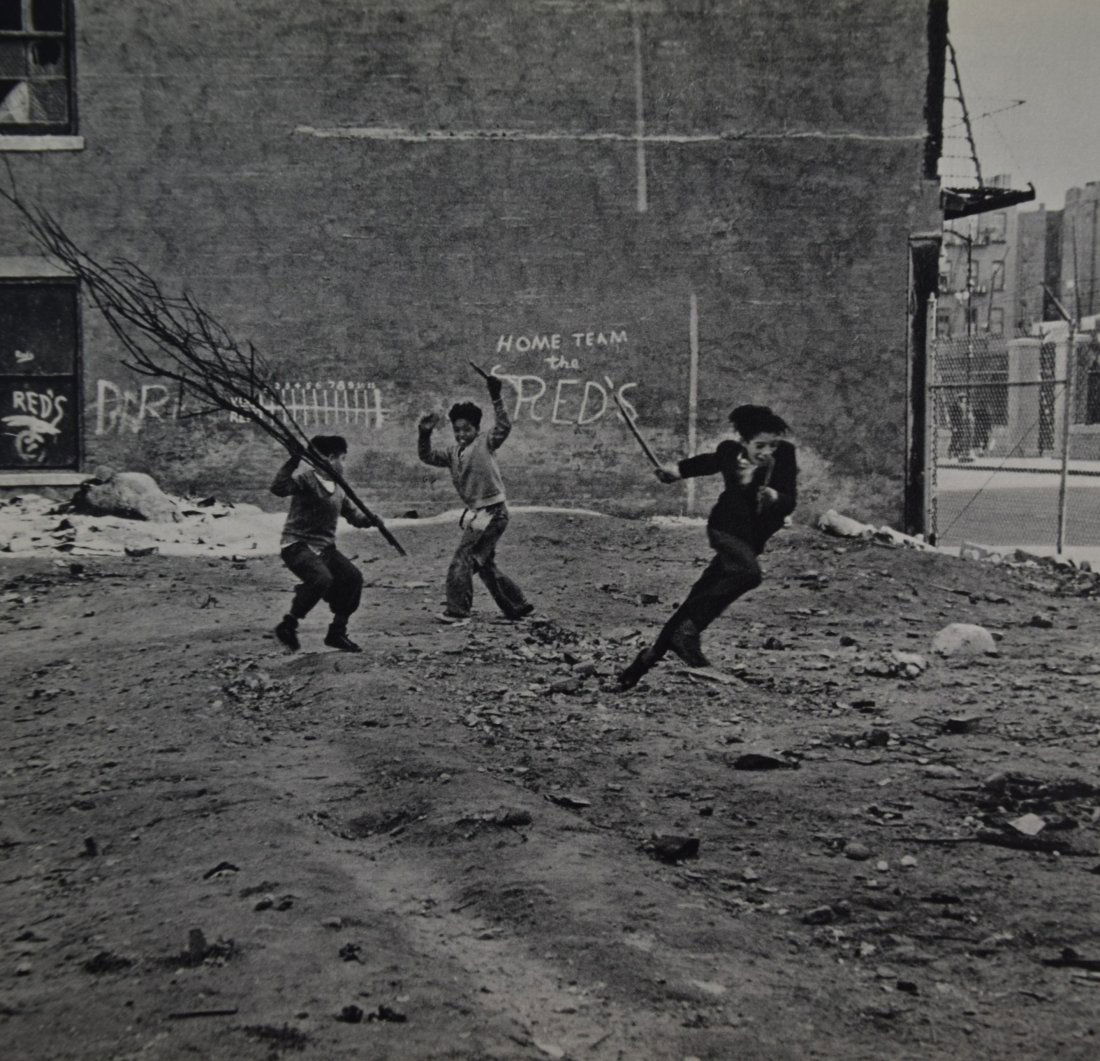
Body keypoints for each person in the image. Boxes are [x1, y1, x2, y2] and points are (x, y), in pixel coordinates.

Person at [618, 404, 797, 689]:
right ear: (744, 442)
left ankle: (644, 662)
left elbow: (791, 499)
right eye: (759, 445)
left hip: (753, 539)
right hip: (725, 529)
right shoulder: (730, 452)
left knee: (697, 596)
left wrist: (775, 497)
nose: (767, 452)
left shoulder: (784, 457)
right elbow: (706, 462)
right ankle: (687, 632)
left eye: (772, 445)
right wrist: (674, 471)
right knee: (749, 574)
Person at [417, 374, 533, 623]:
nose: (461, 434)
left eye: (466, 429)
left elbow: (504, 426)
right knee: (485, 564)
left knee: (464, 559)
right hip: (480, 515)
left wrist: (496, 396)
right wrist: (424, 434)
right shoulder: (451, 453)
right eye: (457, 430)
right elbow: (426, 456)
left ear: (477, 429)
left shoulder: (485, 442)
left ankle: (458, 611)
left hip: (493, 513)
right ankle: (518, 605)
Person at [270, 434, 379, 653]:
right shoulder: (306, 480)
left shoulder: (338, 488)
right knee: (321, 578)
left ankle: (337, 632)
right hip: (297, 545)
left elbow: (353, 516)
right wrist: (294, 460)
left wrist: (370, 520)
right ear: (331, 458)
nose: (345, 464)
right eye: (343, 458)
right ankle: (288, 624)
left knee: (353, 578)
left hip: (325, 549)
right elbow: (279, 488)